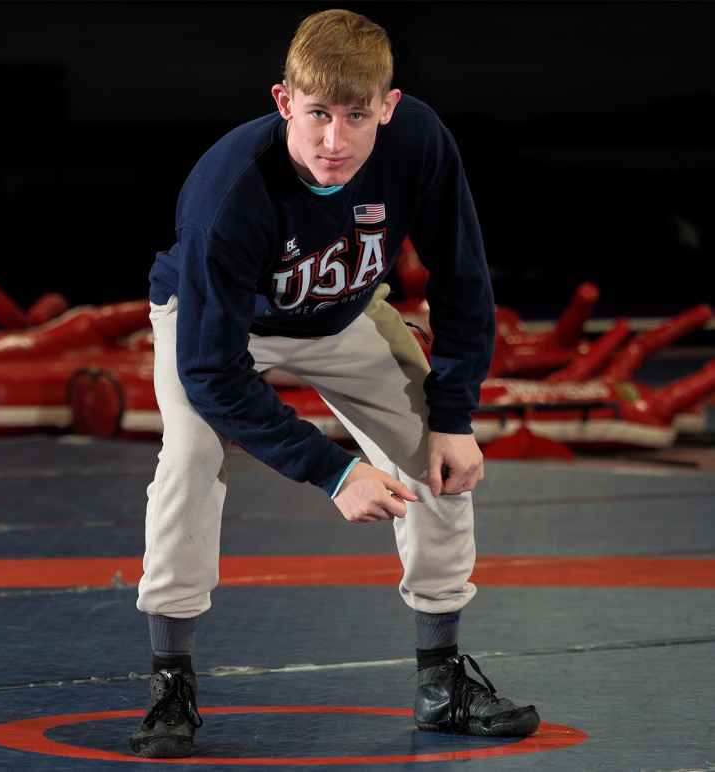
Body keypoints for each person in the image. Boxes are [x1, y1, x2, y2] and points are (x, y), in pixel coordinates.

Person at [129, 8, 540, 759]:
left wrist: (454, 414)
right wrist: (333, 469)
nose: (335, 141)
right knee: (189, 459)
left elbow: (462, 278)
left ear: (390, 106)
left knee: (438, 459)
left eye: (357, 116)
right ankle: (169, 681)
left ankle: (441, 675)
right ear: (284, 101)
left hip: (344, 316)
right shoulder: (231, 190)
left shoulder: (419, 143)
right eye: (318, 114)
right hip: (215, 327)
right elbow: (210, 371)